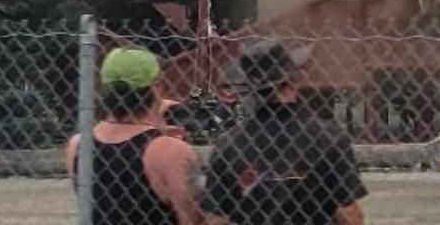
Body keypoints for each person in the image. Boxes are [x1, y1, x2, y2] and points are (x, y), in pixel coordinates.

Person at [202, 39, 368, 225]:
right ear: (293, 80)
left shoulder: (228, 145)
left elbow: (216, 220)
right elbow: (349, 214)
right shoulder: (329, 137)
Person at [65, 47, 203, 225]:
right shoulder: (169, 151)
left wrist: (156, 125)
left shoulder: (77, 145)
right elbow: (192, 219)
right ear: (157, 86)